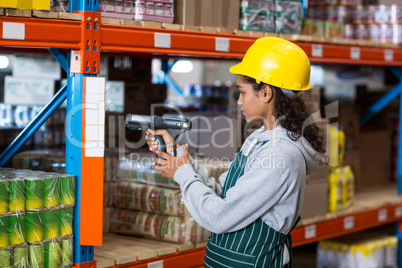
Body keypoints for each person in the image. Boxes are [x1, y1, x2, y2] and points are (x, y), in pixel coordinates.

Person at [146, 37, 325, 267]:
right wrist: (180, 157)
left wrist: (183, 173)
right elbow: (223, 193)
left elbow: (219, 216)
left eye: (242, 92)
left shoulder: (281, 156)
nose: (239, 101)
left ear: (267, 93)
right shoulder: (259, 139)